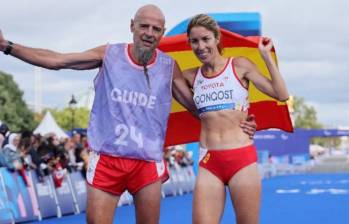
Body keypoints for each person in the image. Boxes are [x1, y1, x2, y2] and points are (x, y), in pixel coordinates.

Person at [0, 5, 256, 223]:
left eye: (156, 29)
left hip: (147, 162)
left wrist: (241, 122)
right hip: (107, 158)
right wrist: (7, 46)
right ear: (132, 26)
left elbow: (200, 108)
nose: (149, 33)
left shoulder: (168, 67)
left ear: (162, 33)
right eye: (144, 26)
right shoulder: (109, 54)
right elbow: (57, 61)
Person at [183, 14, 289, 224]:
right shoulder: (189, 76)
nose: (200, 46)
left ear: (217, 38)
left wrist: (266, 57)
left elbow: (281, 94)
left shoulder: (239, 66)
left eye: (206, 39)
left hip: (241, 159)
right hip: (209, 161)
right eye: (194, 41)